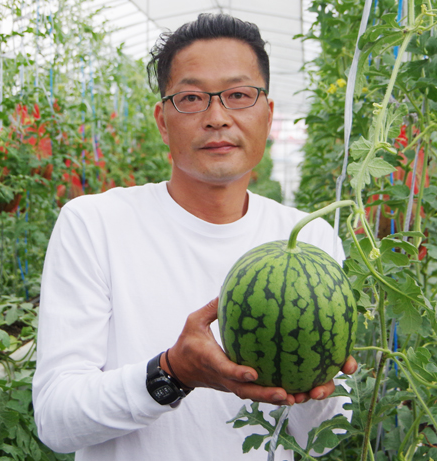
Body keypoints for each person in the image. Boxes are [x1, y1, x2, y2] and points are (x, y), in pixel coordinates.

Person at [32, 13, 357, 460]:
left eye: (239, 95)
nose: (217, 117)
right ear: (163, 121)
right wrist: (172, 373)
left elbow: (319, 440)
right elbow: (55, 419)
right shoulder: (94, 223)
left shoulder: (312, 239)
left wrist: (318, 389)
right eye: (190, 98)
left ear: (268, 115)